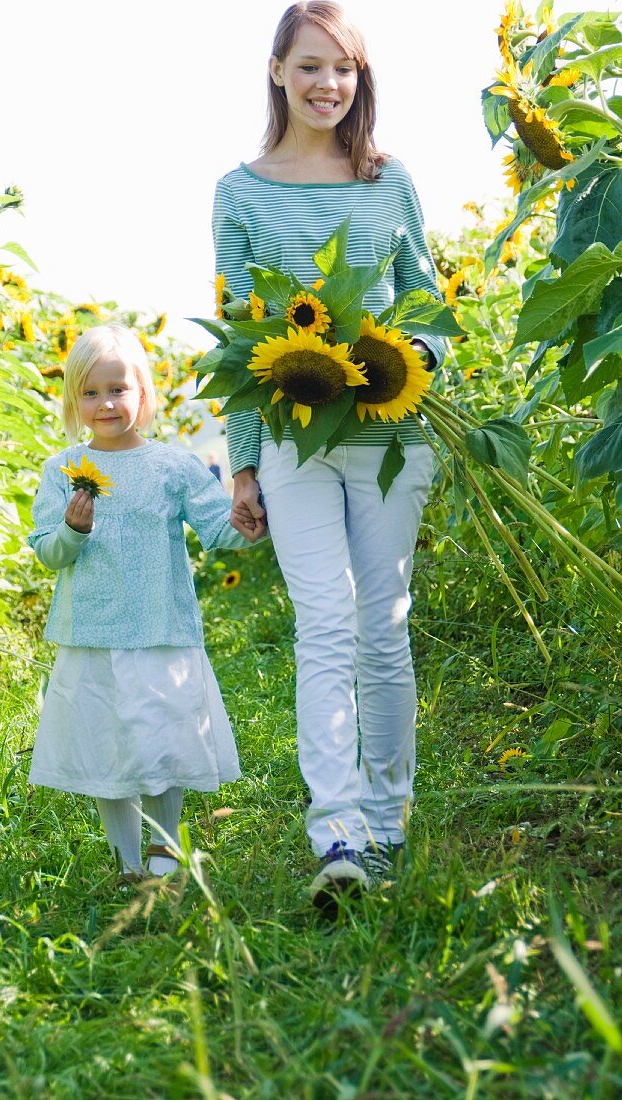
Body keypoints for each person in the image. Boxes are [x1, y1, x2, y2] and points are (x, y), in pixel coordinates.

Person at [212, 0, 445, 915]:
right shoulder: (238, 191)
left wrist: (412, 359)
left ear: (361, 79)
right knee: (326, 624)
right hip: (289, 436)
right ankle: (338, 832)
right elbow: (240, 330)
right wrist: (240, 463)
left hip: (391, 436)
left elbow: (428, 296)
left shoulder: (390, 183)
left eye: (343, 68)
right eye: (310, 66)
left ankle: (389, 826)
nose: (327, 85)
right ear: (278, 72)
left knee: (384, 625)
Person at [28, 323, 255, 883]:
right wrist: (73, 531)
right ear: (73, 400)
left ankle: (163, 848)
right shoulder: (62, 471)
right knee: (108, 752)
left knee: (163, 742)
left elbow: (217, 527)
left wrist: (254, 517)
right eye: (90, 392)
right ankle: (129, 862)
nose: (105, 403)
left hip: (160, 627)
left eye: (117, 389)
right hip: (93, 634)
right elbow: (49, 553)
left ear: (143, 394)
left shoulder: (171, 467)